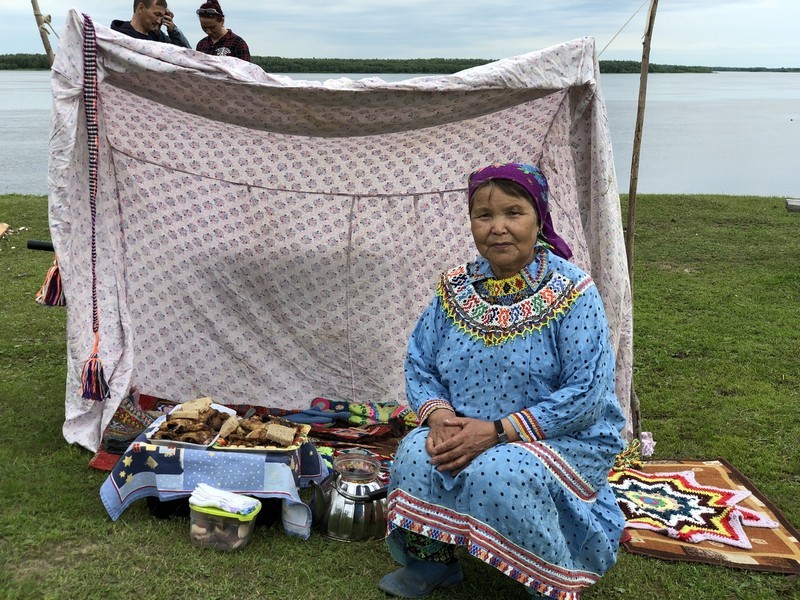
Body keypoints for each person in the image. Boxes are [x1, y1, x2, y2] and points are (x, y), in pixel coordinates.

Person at [380, 163, 627, 599]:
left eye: (513, 213)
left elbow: (587, 393)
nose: (498, 228)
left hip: (560, 437)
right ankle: (431, 563)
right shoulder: (454, 287)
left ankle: (548, 578)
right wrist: (439, 418)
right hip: (464, 426)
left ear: (539, 217)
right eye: (484, 215)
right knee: (417, 453)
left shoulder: (573, 292)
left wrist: (497, 433)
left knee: (499, 472)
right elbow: (420, 363)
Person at [111, 0, 191, 48]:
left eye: (162, 17)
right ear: (141, 8)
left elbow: (187, 56)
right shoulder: (118, 38)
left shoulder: (159, 37)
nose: (159, 21)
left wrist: (173, 30)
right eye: (157, 14)